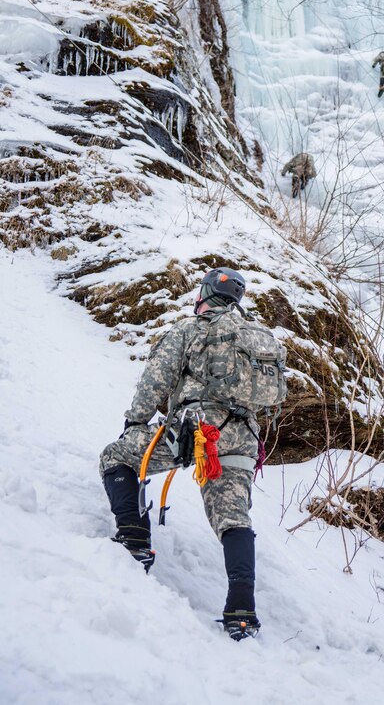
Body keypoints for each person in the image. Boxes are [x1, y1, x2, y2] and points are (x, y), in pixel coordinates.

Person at [99, 267, 287, 641]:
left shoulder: (190, 329)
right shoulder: (258, 336)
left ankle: (135, 540)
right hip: (244, 436)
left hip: (197, 430)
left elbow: (156, 380)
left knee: (115, 457)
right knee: (233, 517)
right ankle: (242, 611)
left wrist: (135, 423)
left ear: (203, 295)